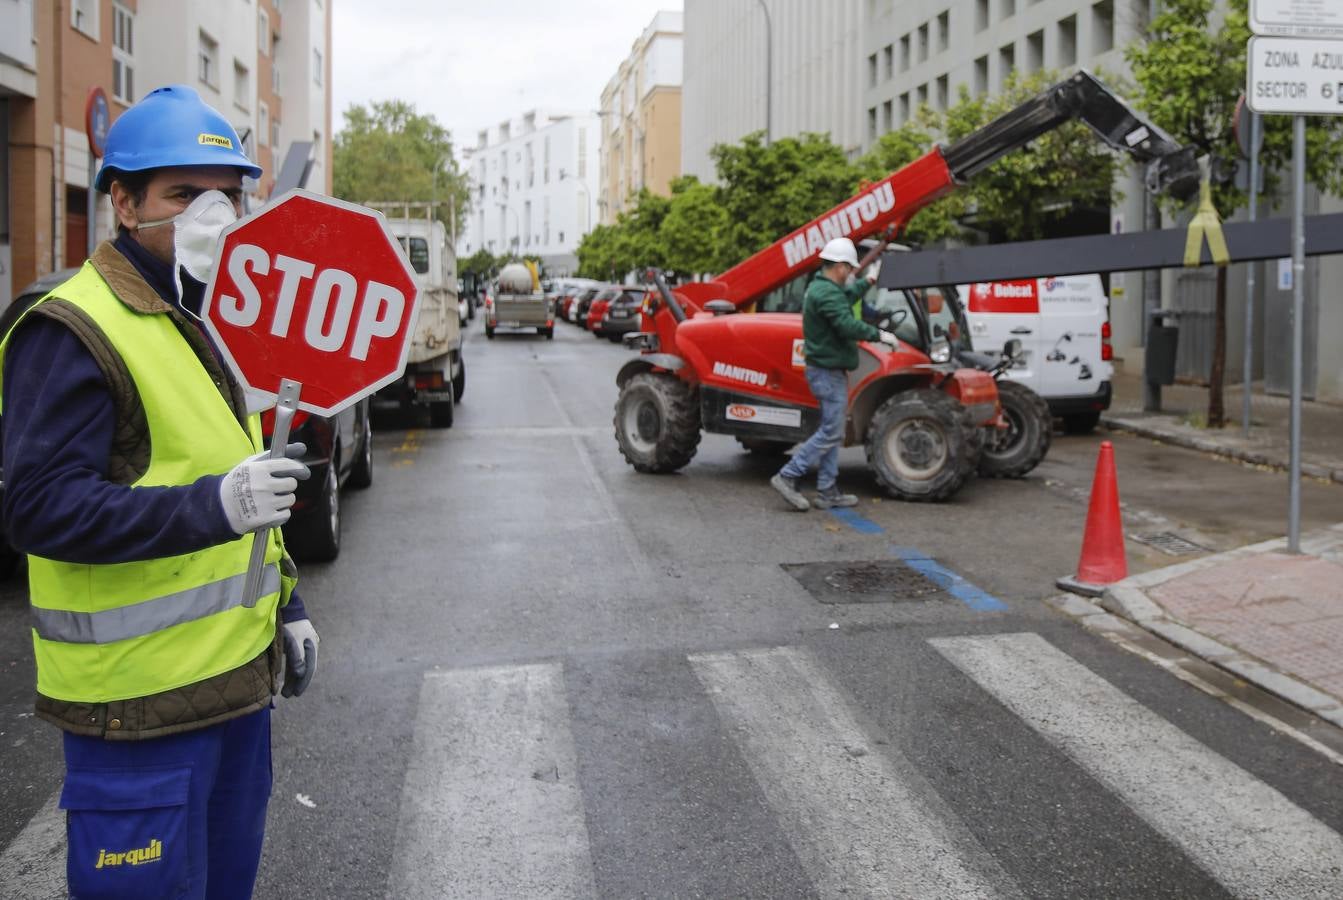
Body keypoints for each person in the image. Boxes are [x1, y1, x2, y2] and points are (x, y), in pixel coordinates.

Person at [0, 85, 317, 898]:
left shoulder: (212, 314)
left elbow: (234, 474)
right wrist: (214, 507)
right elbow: (38, 509)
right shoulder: (72, 327)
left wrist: (286, 607)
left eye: (227, 197)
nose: (211, 216)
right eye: (182, 195)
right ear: (122, 201)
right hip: (136, 715)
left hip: (236, 695)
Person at [770, 237, 899, 511]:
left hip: (828, 370)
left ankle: (828, 490)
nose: (851, 273)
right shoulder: (826, 293)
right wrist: (880, 335)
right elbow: (845, 324)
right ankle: (788, 474)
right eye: (850, 269)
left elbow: (845, 299)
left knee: (832, 430)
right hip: (827, 373)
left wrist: (868, 282)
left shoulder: (823, 288)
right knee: (831, 431)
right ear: (840, 267)